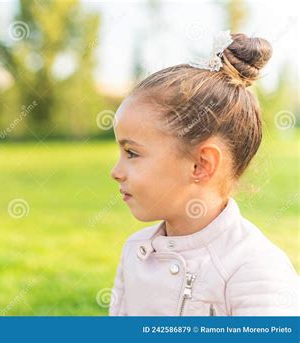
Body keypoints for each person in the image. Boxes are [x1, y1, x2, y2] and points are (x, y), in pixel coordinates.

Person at [109, 31, 298, 316]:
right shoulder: (135, 252)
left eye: (132, 153)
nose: (115, 172)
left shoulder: (254, 270)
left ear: (201, 165)